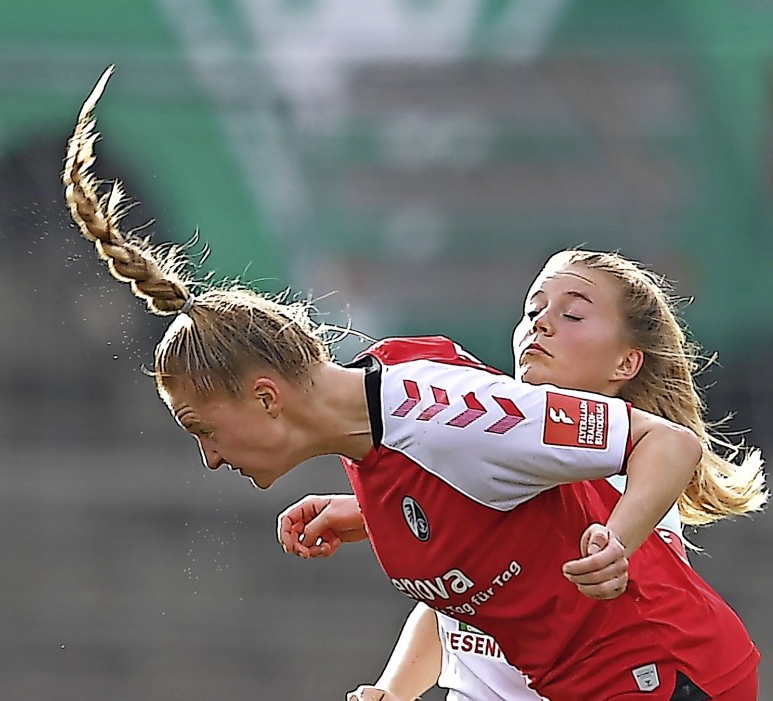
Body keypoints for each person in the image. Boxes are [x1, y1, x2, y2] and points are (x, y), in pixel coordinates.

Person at [61, 67, 762, 699]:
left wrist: (613, 539)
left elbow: (663, 442)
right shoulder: (382, 419)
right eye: (533, 310)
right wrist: (372, 524)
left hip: (670, 675)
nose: (209, 456)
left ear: (267, 397)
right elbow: (476, 513)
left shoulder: (444, 409)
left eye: (204, 429)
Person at [276, 249, 767, 700]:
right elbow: (458, 599)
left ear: (626, 362)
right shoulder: (487, 448)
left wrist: (616, 541)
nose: (541, 325)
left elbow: (626, 628)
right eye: (533, 311)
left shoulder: (633, 496)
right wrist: (392, 690)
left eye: (572, 314)